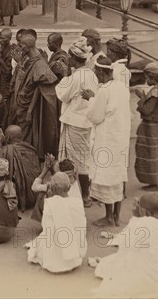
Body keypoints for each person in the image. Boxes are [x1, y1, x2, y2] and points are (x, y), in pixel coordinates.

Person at [92, 193, 158, 298]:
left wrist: (135, 216)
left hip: (147, 277)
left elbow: (124, 243)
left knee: (111, 266)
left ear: (144, 211)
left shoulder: (141, 224)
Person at [82, 56, 131, 227]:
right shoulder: (122, 87)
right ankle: (117, 216)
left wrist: (90, 99)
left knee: (107, 177)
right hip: (120, 138)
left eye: (96, 72)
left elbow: (96, 116)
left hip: (107, 139)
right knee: (118, 176)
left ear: (103, 72)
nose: (96, 75)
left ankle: (109, 216)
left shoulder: (104, 90)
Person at [56, 37, 99, 207]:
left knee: (76, 161)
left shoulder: (76, 77)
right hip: (86, 121)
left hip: (76, 122)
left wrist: (65, 74)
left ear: (73, 59)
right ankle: (83, 192)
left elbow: (62, 94)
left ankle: (83, 196)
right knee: (84, 159)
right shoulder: (92, 75)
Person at [8, 33, 58, 158]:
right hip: (23, 103)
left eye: (21, 46)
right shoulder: (30, 60)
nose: (20, 48)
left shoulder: (39, 64)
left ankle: (27, 159)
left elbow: (39, 89)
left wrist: (30, 111)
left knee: (27, 135)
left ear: (27, 46)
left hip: (30, 107)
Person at [27, 172, 87, 273]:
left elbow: (46, 228)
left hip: (53, 261)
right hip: (75, 259)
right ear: (69, 188)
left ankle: (56, 257)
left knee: (43, 238)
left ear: (53, 188)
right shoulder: (77, 202)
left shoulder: (50, 203)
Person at [133, 62, 158, 191]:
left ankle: (155, 183)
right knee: (152, 153)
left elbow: (147, 110)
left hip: (151, 127)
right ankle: (154, 181)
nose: (146, 80)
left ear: (153, 78)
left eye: (147, 78)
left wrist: (141, 97)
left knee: (151, 154)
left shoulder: (155, 93)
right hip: (154, 127)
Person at [0, 125, 40, 211]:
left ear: (8, 137)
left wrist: (0, 143)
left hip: (16, 197)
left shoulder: (6, 150)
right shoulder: (30, 148)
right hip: (34, 194)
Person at [0, 28, 14, 113]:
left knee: (5, 105)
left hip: (7, 83)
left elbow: (8, 71)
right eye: (0, 38)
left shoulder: (12, 51)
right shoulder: (0, 49)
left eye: (3, 38)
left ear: (9, 38)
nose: (0, 40)